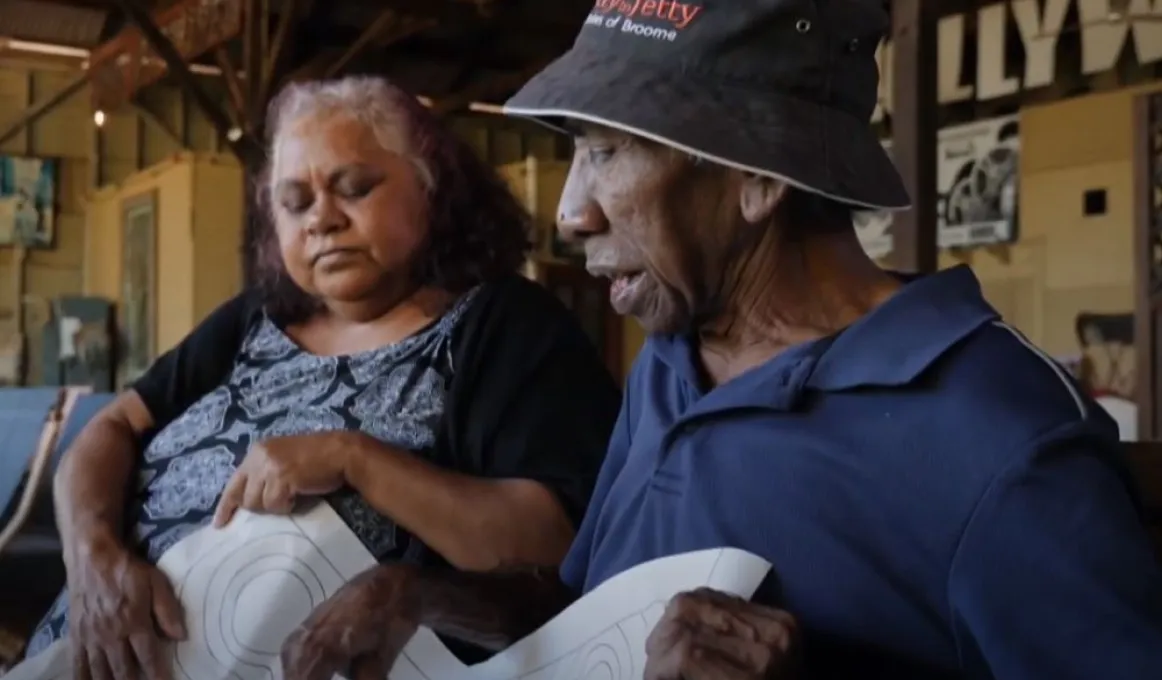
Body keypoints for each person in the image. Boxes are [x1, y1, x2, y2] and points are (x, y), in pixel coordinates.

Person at [280, 1, 1162, 679]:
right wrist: (423, 596)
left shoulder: (1000, 444)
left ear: (754, 178)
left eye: (609, 152)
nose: (569, 210)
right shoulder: (671, 362)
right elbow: (592, 612)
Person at [26, 75, 621, 680]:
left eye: (355, 188)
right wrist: (92, 555)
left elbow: (553, 546)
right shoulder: (257, 319)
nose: (322, 220)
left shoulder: (501, 326)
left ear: (432, 189)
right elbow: (113, 427)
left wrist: (355, 458)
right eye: (295, 202)